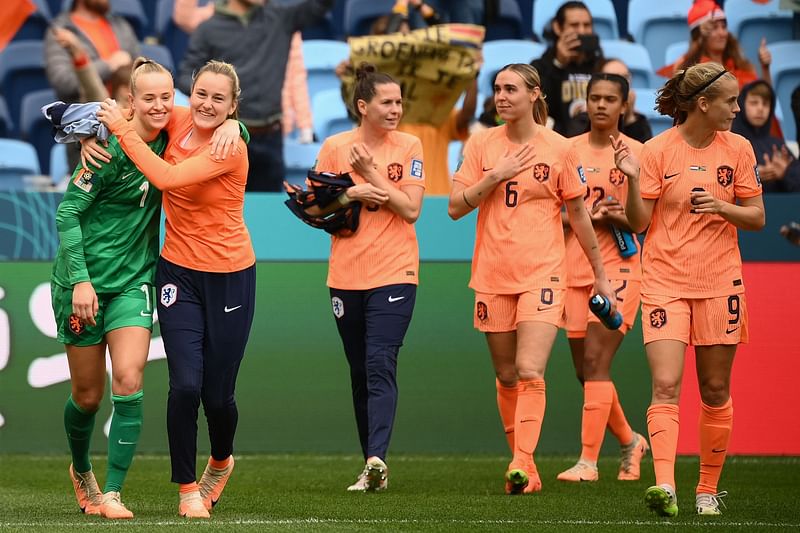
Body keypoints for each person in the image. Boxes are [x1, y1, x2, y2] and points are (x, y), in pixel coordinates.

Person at [97, 60, 254, 518]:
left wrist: (238, 130)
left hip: (230, 275)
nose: (206, 104)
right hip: (177, 273)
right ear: (192, 93)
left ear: (232, 105)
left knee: (217, 395)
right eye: (200, 94)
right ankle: (188, 489)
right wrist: (94, 136)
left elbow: (165, 179)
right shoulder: (180, 117)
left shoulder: (230, 147)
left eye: (219, 100)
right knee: (184, 386)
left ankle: (221, 460)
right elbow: (135, 114)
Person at [448, 63, 615, 495]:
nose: (502, 96)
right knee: (506, 375)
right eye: (498, 88)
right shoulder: (482, 143)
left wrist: (600, 275)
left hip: (543, 272)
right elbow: (455, 206)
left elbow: (578, 214)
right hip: (492, 273)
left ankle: (520, 462)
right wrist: (494, 176)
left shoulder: (559, 148)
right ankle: (528, 470)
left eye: (511, 89)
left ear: (535, 94)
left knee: (529, 370)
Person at [612, 62, 765, 517]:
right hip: (664, 280)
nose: (736, 109)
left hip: (720, 281)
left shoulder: (738, 148)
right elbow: (639, 223)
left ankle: (706, 490)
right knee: (664, 383)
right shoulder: (657, 151)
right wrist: (635, 179)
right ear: (703, 103)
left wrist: (721, 206)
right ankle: (665, 487)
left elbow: (756, 217)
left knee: (715, 388)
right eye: (730, 101)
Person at [51, 58, 173, 520]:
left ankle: (113, 494)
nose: (159, 106)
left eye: (167, 97)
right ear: (131, 102)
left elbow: (223, 118)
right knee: (88, 396)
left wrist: (235, 130)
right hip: (81, 284)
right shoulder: (103, 147)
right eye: (149, 98)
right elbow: (67, 215)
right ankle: (82, 470)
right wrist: (81, 279)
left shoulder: (174, 142)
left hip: (134, 280)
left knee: (129, 379)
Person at [312, 63, 425, 491]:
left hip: (396, 271)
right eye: (387, 102)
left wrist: (372, 172)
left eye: (399, 101)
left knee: (380, 361)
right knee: (360, 370)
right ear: (363, 106)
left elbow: (411, 209)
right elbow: (316, 208)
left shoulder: (410, 145)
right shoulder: (335, 146)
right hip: (345, 273)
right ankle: (371, 466)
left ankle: (378, 458)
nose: (396, 109)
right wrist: (350, 192)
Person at [557, 72, 649, 484]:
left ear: (624, 106)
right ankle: (631, 441)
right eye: (594, 97)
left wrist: (617, 214)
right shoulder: (566, 150)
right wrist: (583, 217)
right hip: (572, 267)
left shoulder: (639, 153)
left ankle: (587, 462)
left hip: (620, 269)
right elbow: (553, 213)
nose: (600, 105)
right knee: (584, 371)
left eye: (610, 99)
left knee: (597, 361)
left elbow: (644, 220)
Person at [178, 0, 333, 192]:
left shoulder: (280, 17)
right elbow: (185, 76)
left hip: (271, 137)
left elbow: (319, 6)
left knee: (266, 216)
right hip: (224, 138)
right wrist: (210, 93)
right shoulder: (208, 29)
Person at [45, 0, 139, 170]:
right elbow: (64, 81)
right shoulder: (61, 30)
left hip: (129, 124)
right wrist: (108, 65)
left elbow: (141, 72)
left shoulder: (121, 25)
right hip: (88, 133)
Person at [658, 0, 772, 89]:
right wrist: (698, 40)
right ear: (699, 34)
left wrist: (765, 68)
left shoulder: (741, 65)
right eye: (714, 28)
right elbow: (680, 104)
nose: (722, 33)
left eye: (724, 27)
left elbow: (764, 101)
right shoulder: (688, 68)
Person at [531, 1, 604, 136]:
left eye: (587, 25)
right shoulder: (540, 67)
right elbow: (539, 109)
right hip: (556, 142)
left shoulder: (601, 66)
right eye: (574, 25)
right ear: (558, 28)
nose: (582, 31)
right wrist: (558, 64)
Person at [732, 80, 800, 192]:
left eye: (765, 104)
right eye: (754, 103)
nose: (760, 109)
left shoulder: (778, 146)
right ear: (741, 105)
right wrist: (753, 176)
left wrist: (786, 173)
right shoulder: (731, 142)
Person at [569, 59, 653, 143]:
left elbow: (643, 151)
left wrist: (630, 118)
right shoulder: (582, 120)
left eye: (625, 77)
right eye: (613, 77)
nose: (601, 105)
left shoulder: (639, 121)